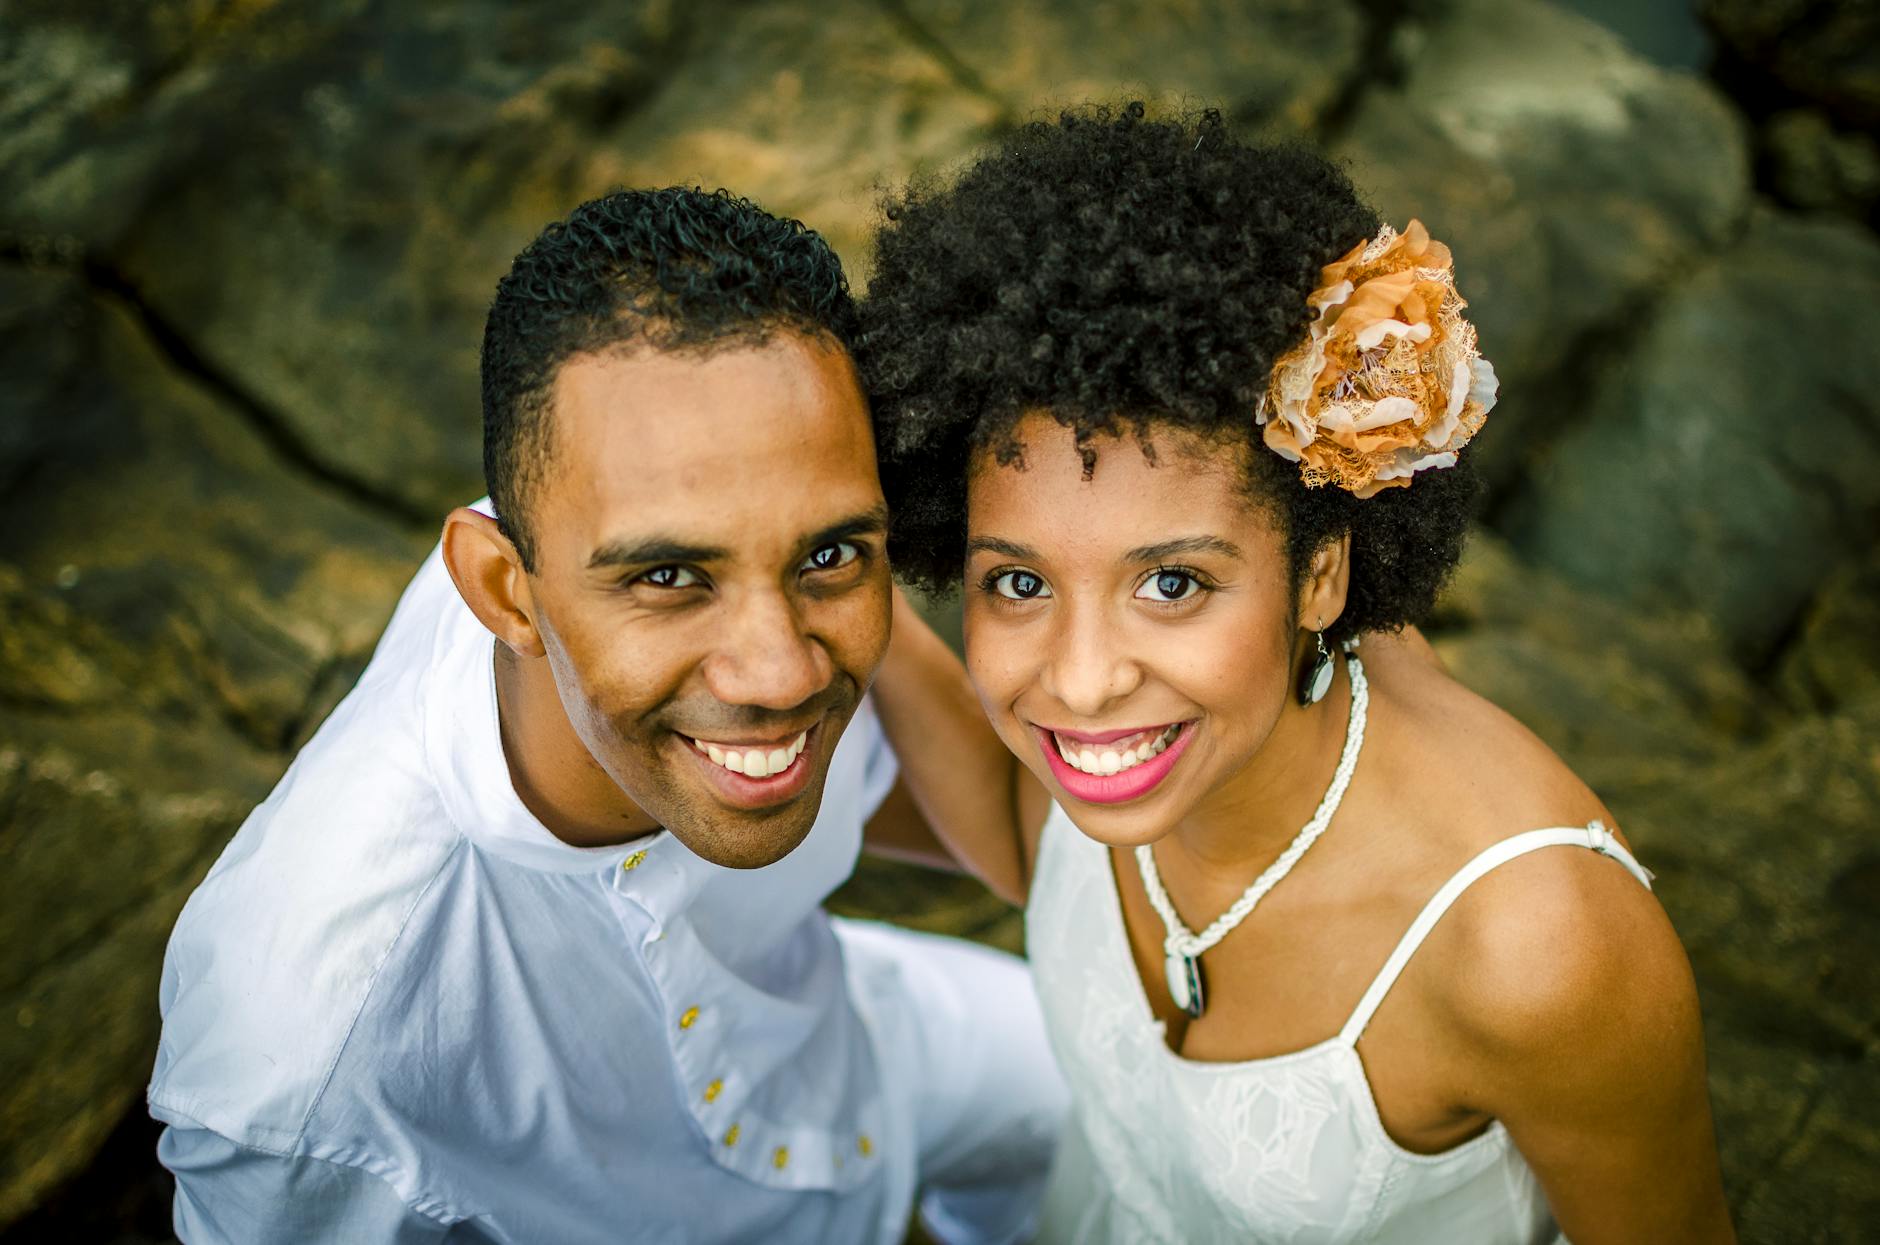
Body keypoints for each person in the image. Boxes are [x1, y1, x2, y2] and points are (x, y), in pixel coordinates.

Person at [857, 104, 1736, 1243]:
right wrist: (829, 587)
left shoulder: (1532, 949)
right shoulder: (1126, 759)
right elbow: (1032, 843)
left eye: (1171, 583)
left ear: (1320, 576)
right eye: (1017, 585)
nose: (1076, 685)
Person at [148, 187, 1065, 1244]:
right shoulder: (309, 1059)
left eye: (827, 553)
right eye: (672, 575)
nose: (776, 673)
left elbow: (1005, 821)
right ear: (502, 589)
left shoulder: (686, 541)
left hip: (860, 1046)